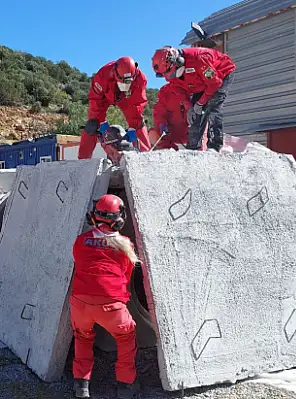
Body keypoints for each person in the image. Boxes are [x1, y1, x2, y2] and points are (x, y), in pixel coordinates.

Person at [70, 194, 140, 399]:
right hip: (112, 307)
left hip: (80, 304)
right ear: (119, 220)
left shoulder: (81, 241)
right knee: (126, 338)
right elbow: (126, 277)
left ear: (94, 216)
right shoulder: (125, 244)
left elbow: (79, 264)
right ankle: (126, 386)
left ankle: (82, 385)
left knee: (82, 338)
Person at [151, 46, 236, 152]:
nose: (171, 77)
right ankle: (193, 146)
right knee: (195, 114)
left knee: (213, 106)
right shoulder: (172, 76)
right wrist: (189, 107)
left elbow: (214, 83)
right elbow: (178, 89)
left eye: (172, 73)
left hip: (220, 75)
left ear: (178, 62)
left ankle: (214, 145)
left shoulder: (200, 59)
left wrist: (201, 103)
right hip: (199, 82)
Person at [78, 56, 150, 159]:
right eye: (122, 81)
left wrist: (133, 127)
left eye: (127, 82)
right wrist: (102, 123)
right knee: (92, 124)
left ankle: (146, 158)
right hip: (105, 96)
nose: (125, 84)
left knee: (138, 121)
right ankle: (83, 161)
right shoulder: (102, 76)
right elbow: (96, 102)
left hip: (124, 97)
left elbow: (137, 104)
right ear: (115, 73)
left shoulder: (140, 79)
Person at [149, 81, 193, 150]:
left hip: (190, 133)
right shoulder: (165, 90)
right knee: (152, 134)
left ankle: (201, 151)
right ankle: (168, 151)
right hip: (169, 134)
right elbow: (159, 112)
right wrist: (161, 124)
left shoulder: (196, 88)